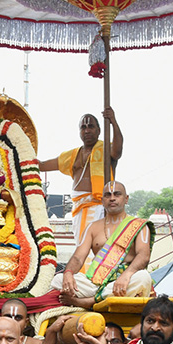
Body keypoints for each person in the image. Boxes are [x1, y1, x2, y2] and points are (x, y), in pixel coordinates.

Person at [50, 181, 153, 309]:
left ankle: (89, 301)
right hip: (96, 283)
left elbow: (143, 256)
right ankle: (101, 297)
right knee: (58, 280)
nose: (112, 198)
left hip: (124, 281)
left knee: (143, 277)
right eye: (107, 195)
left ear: (126, 199)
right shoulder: (92, 228)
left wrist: (126, 275)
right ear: (102, 200)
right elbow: (78, 257)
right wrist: (68, 274)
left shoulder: (138, 225)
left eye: (117, 194)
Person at [37, 109, 124, 243]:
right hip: (79, 208)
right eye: (83, 127)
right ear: (79, 132)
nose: (87, 130)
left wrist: (112, 121)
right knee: (81, 246)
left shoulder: (106, 148)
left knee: (98, 245)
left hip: (99, 207)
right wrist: (21, 155)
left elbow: (117, 151)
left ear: (99, 130)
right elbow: (42, 166)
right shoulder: (72, 155)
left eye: (91, 127)